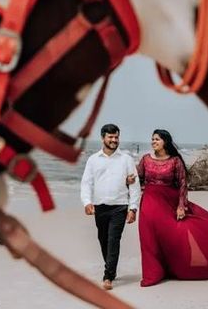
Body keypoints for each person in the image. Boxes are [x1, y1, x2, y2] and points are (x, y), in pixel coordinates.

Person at [135, 129, 208, 287]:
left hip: (169, 203)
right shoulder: (145, 159)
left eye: (157, 139)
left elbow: (182, 185)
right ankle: (153, 273)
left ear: (165, 142)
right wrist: (129, 180)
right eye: (152, 139)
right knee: (149, 237)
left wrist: (181, 206)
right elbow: (138, 178)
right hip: (149, 202)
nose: (153, 142)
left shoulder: (175, 161)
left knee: (178, 234)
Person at [80, 123, 141, 290]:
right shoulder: (93, 160)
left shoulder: (126, 160)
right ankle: (111, 269)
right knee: (103, 239)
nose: (114, 140)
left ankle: (108, 276)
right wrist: (87, 202)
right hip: (100, 207)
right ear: (103, 138)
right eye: (111, 137)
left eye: (116, 137)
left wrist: (133, 208)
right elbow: (86, 183)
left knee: (114, 240)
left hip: (119, 207)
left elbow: (135, 186)